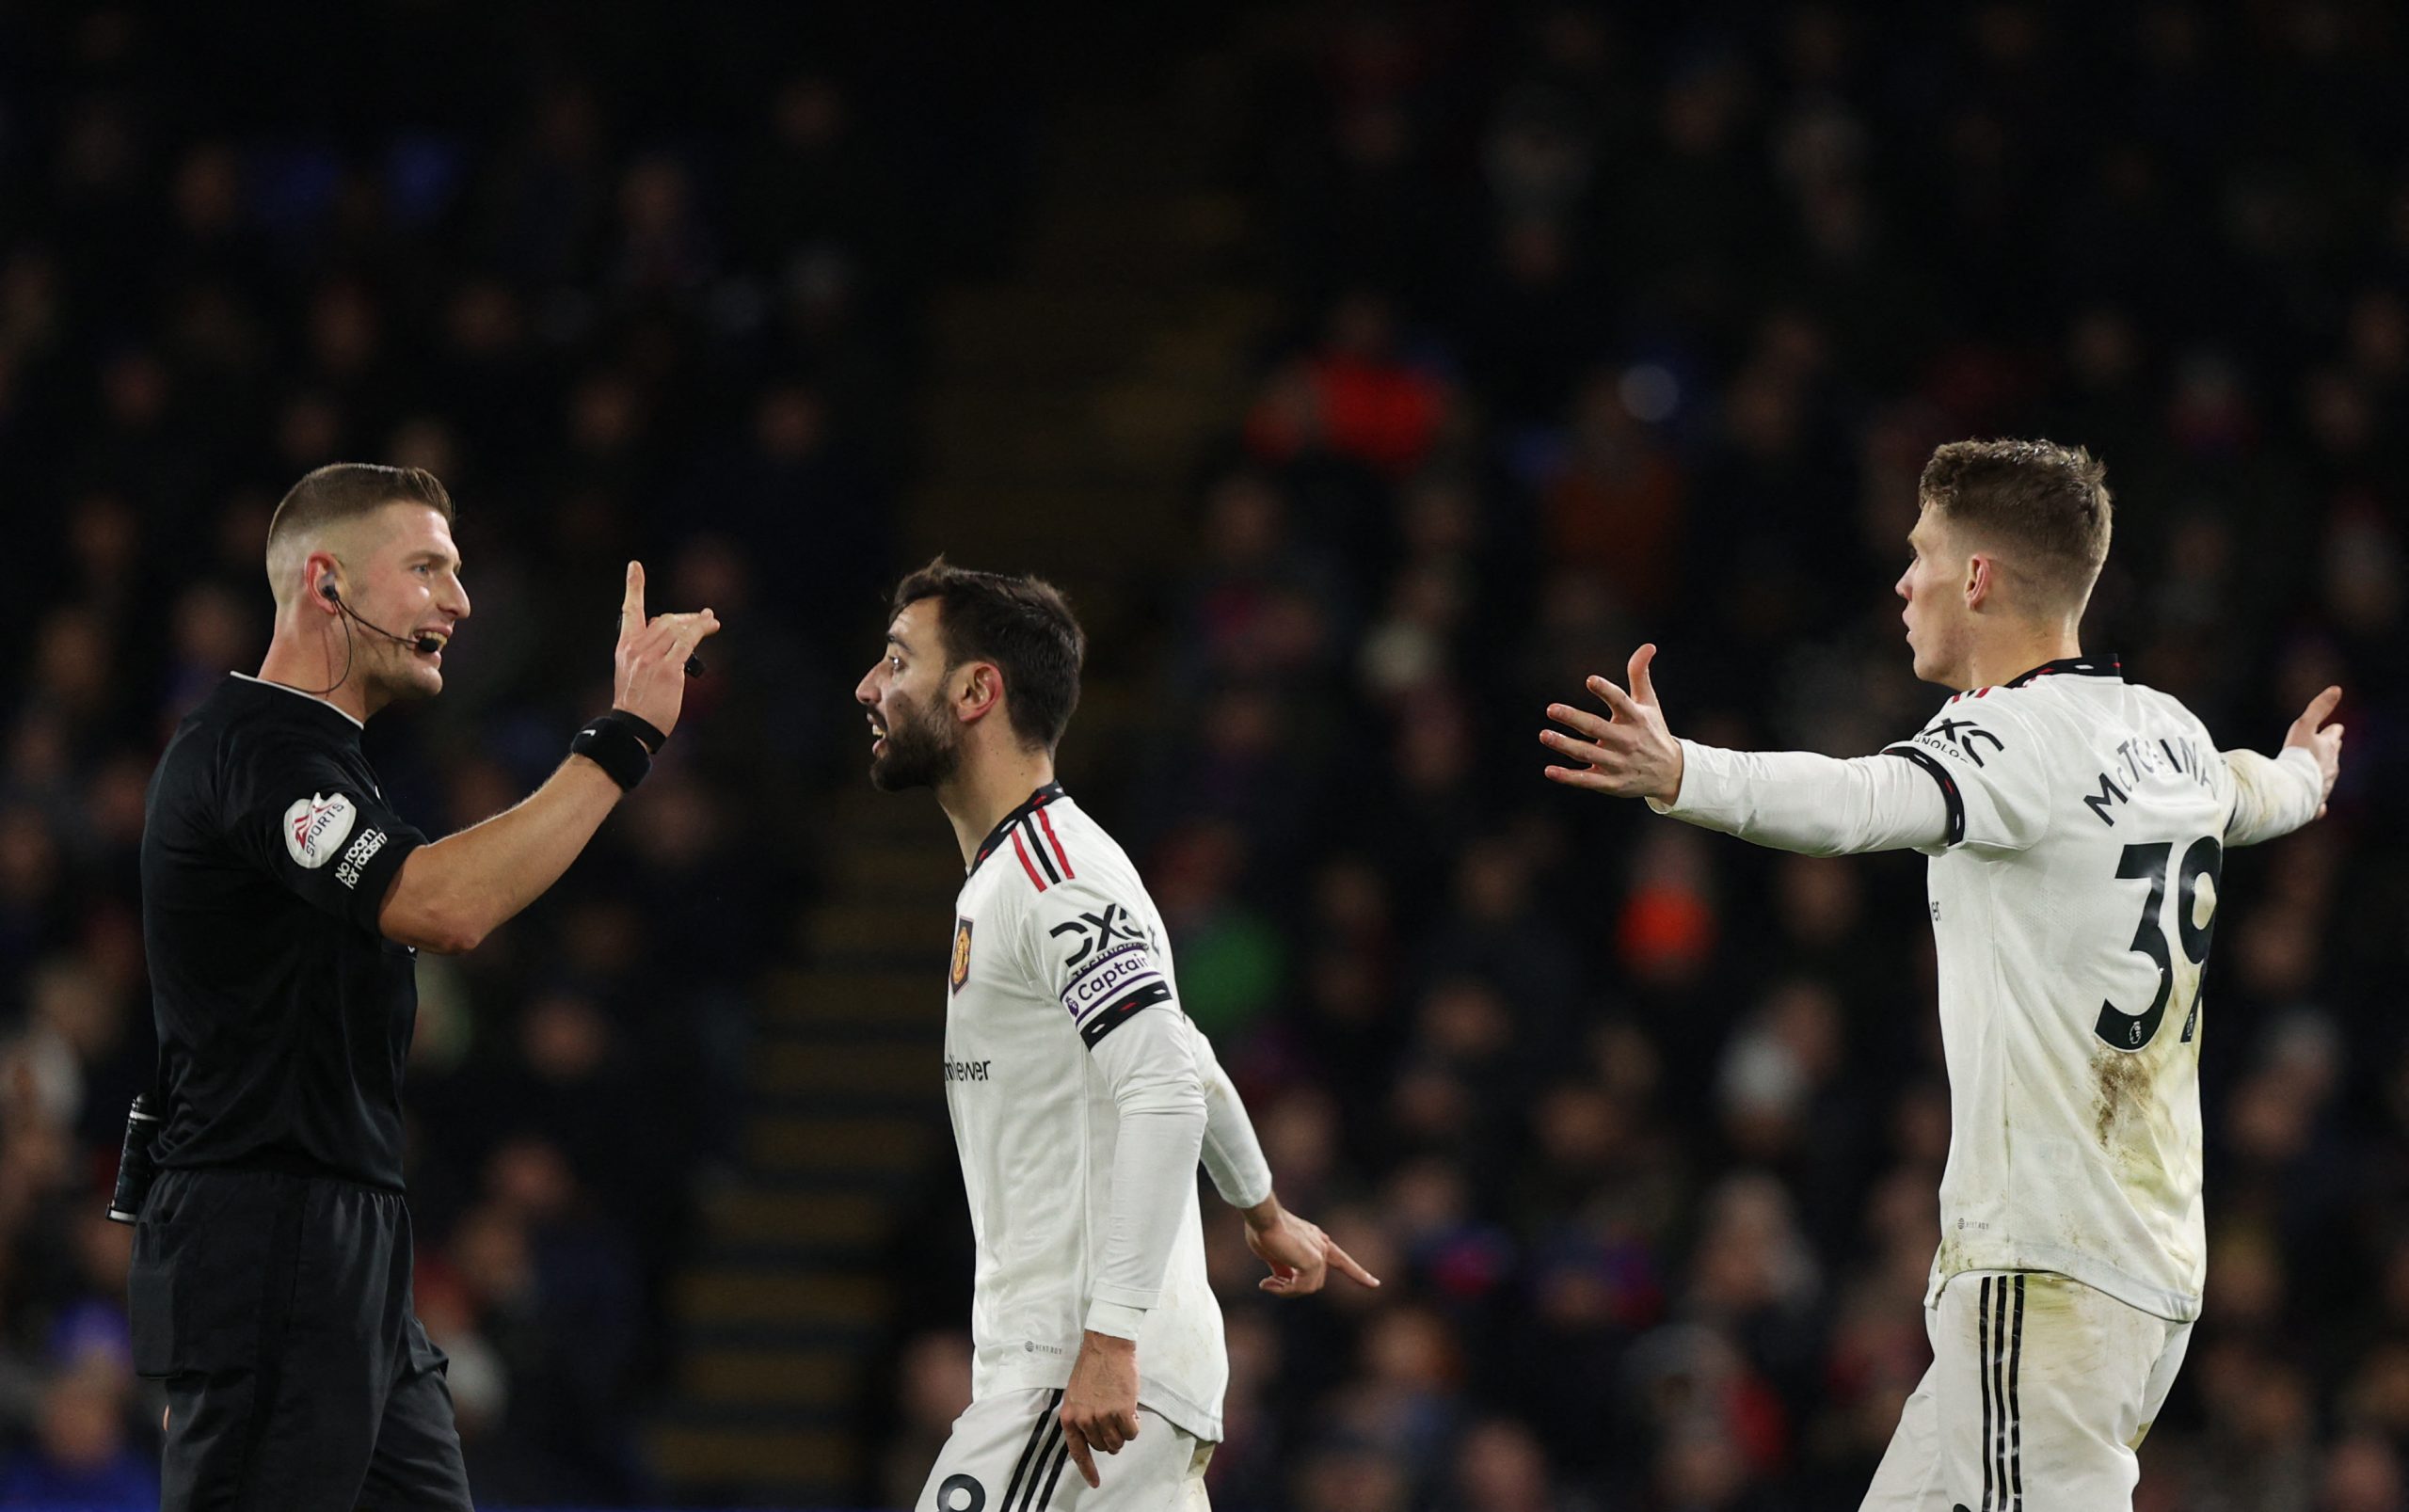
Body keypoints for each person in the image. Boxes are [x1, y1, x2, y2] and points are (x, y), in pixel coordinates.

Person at [1537, 439, 2343, 1512]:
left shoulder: (2012, 742)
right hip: (2134, 1261)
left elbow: (1860, 801)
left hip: (2046, 1263)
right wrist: (2306, 773)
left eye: (1921, 552)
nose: (1902, 580)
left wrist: (1685, 771)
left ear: (1977, 578)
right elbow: (2255, 794)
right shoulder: (2169, 735)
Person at [131, 462, 719, 1509]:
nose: (459, 598)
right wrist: (621, 739)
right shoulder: (254, 752)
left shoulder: (325, 762)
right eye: (427, 569)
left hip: (337, 1239)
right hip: (268, 1241)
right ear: (327, 583)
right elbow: (441, 903)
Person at [856, 558, 1379, 1510]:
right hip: (1105, 1376)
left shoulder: (1055, 872)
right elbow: (1182, 1050)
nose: (869, 687)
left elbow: (1163, 1088)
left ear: (977, 690)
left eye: (896, 661)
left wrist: (1108, 1339)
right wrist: (1261, 1210)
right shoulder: (1022, 871)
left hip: (1077, 1376)